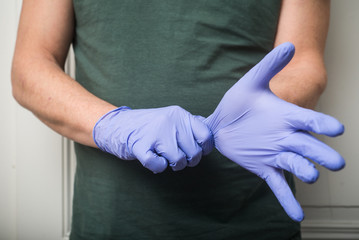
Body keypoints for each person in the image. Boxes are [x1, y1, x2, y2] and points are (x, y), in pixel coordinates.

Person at [12, 0, 343, 239]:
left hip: (251, 215)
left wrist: (260, 111)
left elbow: (302, 61)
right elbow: (31, 65)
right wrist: (114, 125)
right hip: (112, 219)